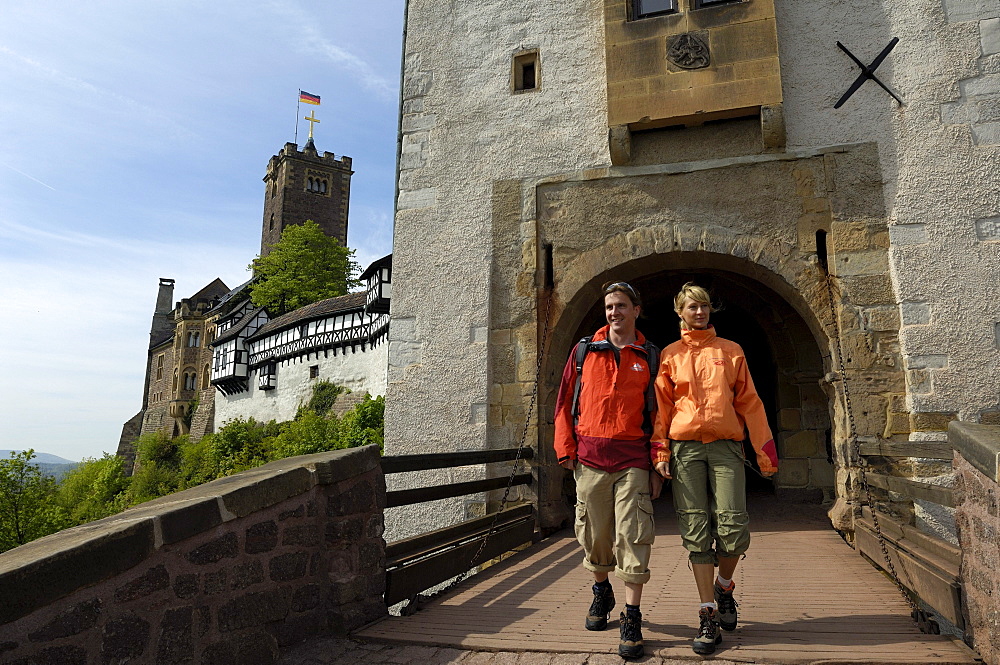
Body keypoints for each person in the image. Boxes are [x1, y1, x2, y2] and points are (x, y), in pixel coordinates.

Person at [651, 282, 779, 655]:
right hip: (686, 448)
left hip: (725, 446)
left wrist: (764, 453)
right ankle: (707, 610)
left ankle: (725, 585)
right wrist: (660, 450)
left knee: (733, 525)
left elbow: (750, 403)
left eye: (705, 306)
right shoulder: (671, 356)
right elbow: (662, 408)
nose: (700, 312)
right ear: (680, 312)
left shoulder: (731, 351)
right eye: (692, 307)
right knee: (694, 525)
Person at [553, 281, 662, 660]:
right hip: (590, 458)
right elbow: (564, 399)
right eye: (609, 307)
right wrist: (565, 450)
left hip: (633, 458)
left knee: (634, 534)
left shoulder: (649, 355)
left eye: (620, 306)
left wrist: (658, 467)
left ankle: (631, 616)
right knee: (595, 536)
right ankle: (602, 591)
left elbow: (658, 414)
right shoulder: (584, 351)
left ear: (636, 310)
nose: (614, 312)